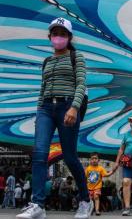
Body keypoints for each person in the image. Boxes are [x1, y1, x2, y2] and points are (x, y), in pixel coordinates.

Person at [17, 17, 92, 219]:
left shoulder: (78, 57)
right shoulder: (47, 62)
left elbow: (81, 84)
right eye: (55, 33)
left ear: (69, 37)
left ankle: (85, 200)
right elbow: (43, 89)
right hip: (46, 109)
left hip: (68, 106)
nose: (58, 37)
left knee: (69, 157)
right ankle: (38, 205)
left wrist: (74, 108)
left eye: (63, 34)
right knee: (40, 153)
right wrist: (39, 109)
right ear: (50, 37)